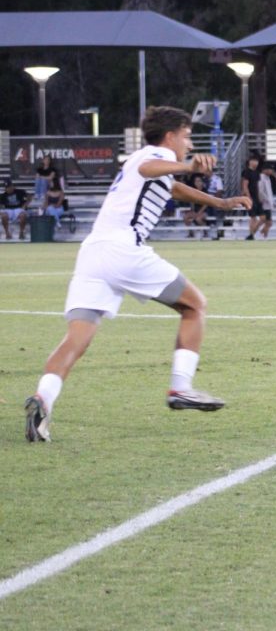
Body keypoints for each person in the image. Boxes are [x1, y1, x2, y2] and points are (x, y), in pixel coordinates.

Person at [22, 106, 253, 442]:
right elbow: (152, 168)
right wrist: (188, 165)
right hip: (123, 249)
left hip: (92, 253)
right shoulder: (154, 154)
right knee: (194, 306)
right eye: (187, 137)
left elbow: (169, 186)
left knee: (78, 337)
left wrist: (219, 203)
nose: (189, 144)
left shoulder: (142, 159)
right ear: (171, 135)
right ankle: (180, 387)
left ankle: (43, 399)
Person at [242, 152, 265, 240]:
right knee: (253, 217)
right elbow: (245, 186)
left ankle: (251, 234)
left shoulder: (257, 172)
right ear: (250, 162)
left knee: (263, 218)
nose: (256, 163)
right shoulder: (247, 172)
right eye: (254, 161)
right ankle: (251, 235)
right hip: (250, 197)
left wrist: (260, 197)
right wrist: (249, 197)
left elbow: (259, 186)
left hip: (257, 197)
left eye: (257, 161)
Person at [181, 172, 210, 238]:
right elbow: (192, 202)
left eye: (199, 181)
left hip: (204, 211)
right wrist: (193, 211)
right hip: (195, 210)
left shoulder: (205, 191)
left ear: (202, 182)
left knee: (198, 219)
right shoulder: (194, 191)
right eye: (196, 181)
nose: (197, 183)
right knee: (186, 217)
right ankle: (190, 233)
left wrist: (199, 213)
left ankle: (205, 232)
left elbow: (206, 204)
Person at [256, 164, 276, 238]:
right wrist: (267, 200)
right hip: (264, 203)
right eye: (270, 169)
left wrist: (273, 201)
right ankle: (255, 233)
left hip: (268, 203)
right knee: (267, 221)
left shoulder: (267, 178)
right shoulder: (261, 178)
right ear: (265, 170)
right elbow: (260, 191)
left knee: (268, 222)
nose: (271, 171)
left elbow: (269, 192)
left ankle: (263, 236)